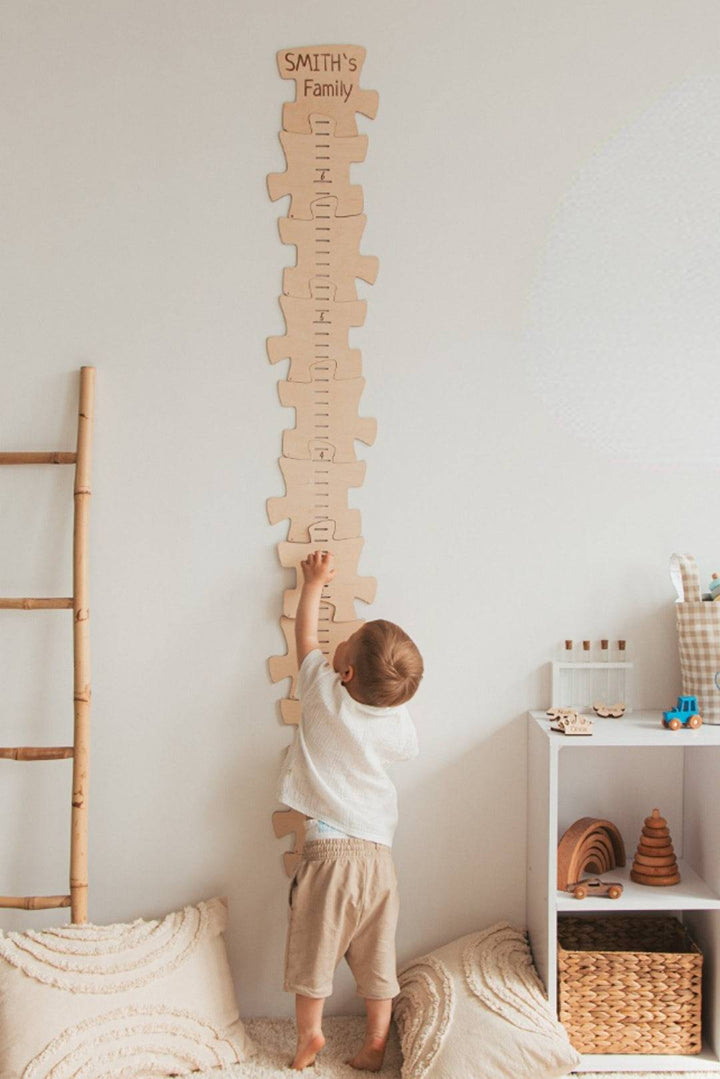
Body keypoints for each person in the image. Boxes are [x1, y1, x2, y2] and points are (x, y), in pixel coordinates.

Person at [277, 550, 423, 1071]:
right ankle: (376, 1039)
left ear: (345, 670)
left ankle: (310, 1036)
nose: (342, 636)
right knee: (376, 956)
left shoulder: (321, 691)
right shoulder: (395, 719)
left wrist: (313, 581)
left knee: (314, 954)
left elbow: (306, 637)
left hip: (329, 853)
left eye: (350, 639)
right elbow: (402, 736)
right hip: (379, 862)